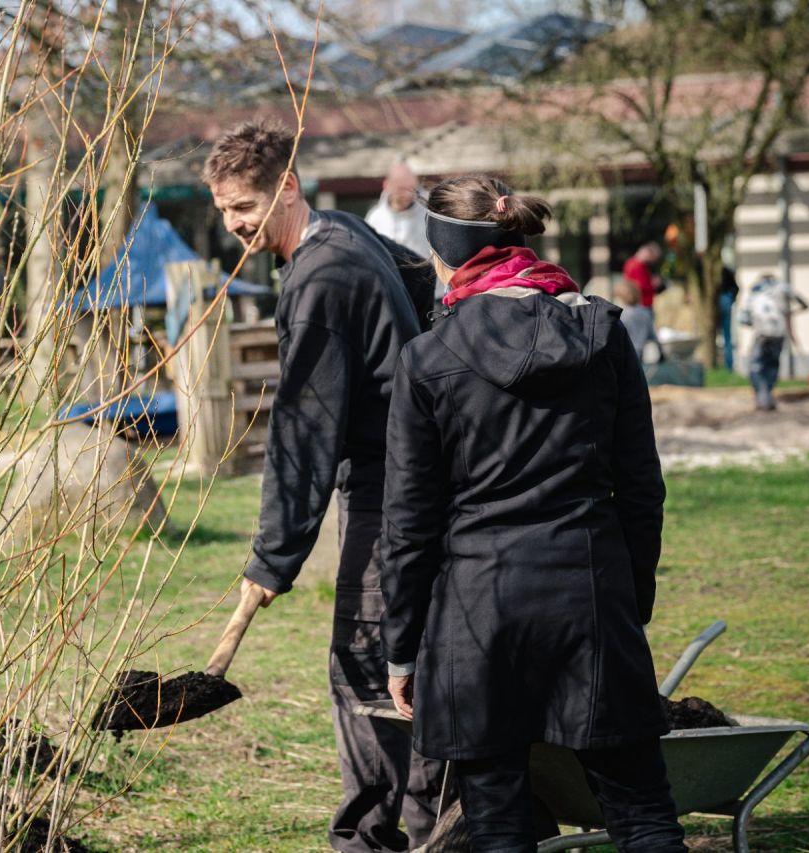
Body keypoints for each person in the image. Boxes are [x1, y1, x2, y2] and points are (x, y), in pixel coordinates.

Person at [379, 175, 687, 852]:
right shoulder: (603, 332)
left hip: (475, 612)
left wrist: (401, 646)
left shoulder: (428, 358)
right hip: (589, 589)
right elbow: (641, 487)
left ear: (444, 255)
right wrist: (628, 599)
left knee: (498, 822)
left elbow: (408, 518)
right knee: (641, 811)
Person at [203, 120, 442, 853]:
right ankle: (447, 830)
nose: (234, 223)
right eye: (223, 209)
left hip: (389, 486)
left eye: (245, 205)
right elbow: (424, 280)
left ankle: (372, 840)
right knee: (417, 657)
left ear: (288, 188)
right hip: (417, 473)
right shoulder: (342, 233)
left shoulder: (319, 278)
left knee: (368, 665)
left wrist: (274, 558)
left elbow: (302, 431)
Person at [743, 272, 809, 411]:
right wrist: (791, 312)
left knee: (756, 366)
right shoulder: (782, 288)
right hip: (779, 333)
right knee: (772, 365)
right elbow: (805, 304)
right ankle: (766, 396)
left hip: (761, 334)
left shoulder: (755, 291)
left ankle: (763, 398)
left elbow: (744, 319)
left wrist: (755, 321)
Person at [366, 159, 430, 259]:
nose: (408, 194)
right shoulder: (375, 218)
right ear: (387, 185)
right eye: (401, 189)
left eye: (412, 188)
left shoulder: (429, 215)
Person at [613, 280, 657, 363]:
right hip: (642, 354)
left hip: (625, 355)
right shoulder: (645, 312)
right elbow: (652, 336)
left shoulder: (620, 315)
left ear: (620, 297)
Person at [622, 241, 664, 312]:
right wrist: (654, 284)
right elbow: (639, 286)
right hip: (640, 305)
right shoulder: (635, 265)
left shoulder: (639, 265)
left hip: (642, 304)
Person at [718, 265, 740, 371]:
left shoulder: (720, 271)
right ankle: (728, 366)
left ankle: (727, 366)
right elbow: (736, 288)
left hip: (723, 300)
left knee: (726, 337)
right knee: (727, 337)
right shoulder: (725, 270)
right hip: (727, 300)